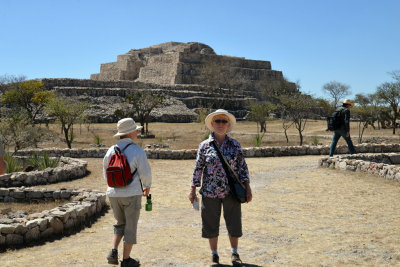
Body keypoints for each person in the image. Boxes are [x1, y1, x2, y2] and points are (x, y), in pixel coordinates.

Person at [189, 109, 252, 266]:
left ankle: (234, 253)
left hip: (231, 191)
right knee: (211, 223)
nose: (220, 124)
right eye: (217, 121)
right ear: (212, 124)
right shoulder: (204, 146)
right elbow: (198, 168)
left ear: (228, 124)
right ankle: (214, 254)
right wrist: (192, 189)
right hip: (210, 191)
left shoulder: (234, 145)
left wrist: (248, 188)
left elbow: (242, 168)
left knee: (234, 222)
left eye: (224, 121)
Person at [103, 118, 152, 267]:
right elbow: (145, 172)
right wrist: (147, 186)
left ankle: (113, 251)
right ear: (130, 133)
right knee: (130, 226)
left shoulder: (111, 150)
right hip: (131, 193)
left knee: (120, 223)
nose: (137, 132)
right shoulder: (137, 150)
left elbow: (106, 172)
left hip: (113, 193)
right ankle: (126, 260)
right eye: (135, 130)